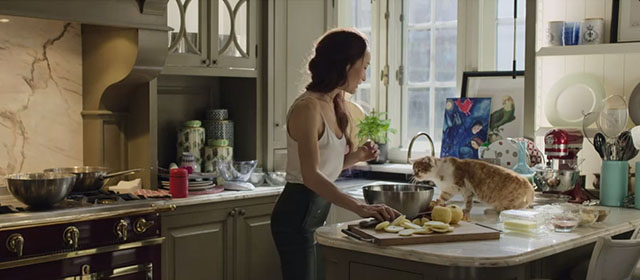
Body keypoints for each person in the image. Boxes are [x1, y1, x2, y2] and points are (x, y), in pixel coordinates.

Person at [270, 28, 401, 280]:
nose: (364, 77)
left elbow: (325, 167)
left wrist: (357, 156)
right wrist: (359, 207)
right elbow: (310, 176)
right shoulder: (307, 108)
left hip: (314, 212)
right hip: (295, 215)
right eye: (364, 67)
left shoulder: (334, 103)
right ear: (346, 65)